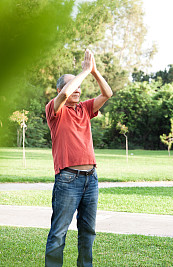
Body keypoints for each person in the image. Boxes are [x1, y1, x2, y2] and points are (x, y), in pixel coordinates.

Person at [45, 49, 113, 267]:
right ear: (59, 89)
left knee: (88, 231)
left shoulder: (85, 108)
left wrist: (93, 71)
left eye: (79, 86)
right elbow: (65, 95)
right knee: (58, 233)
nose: (77, 89)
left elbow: (107, 94)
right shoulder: (54, 109)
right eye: (73, 85)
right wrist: (82, 72)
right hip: (68, 180)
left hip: (90, 179)